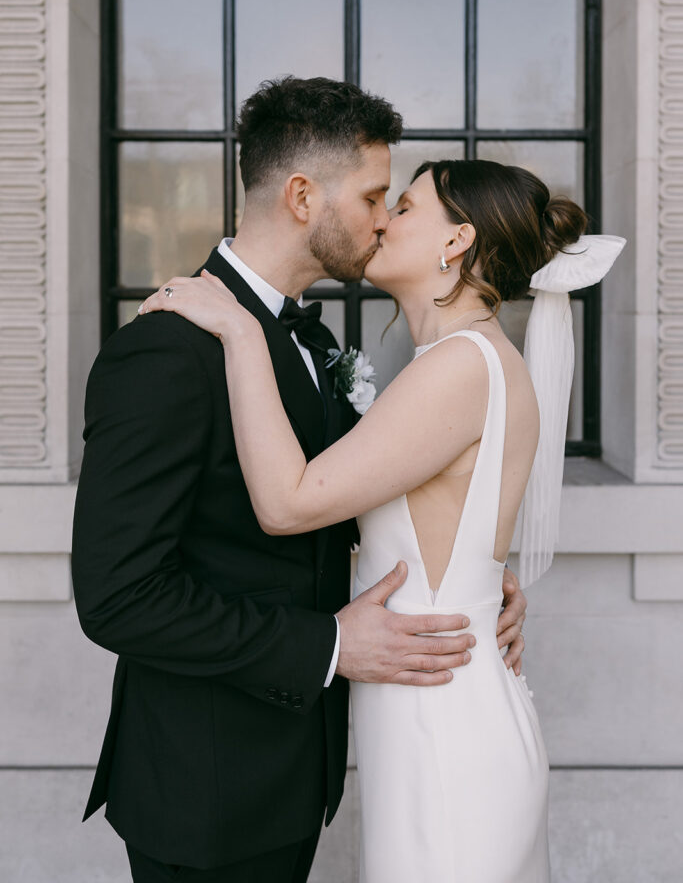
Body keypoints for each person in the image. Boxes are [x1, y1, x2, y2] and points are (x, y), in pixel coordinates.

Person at [71, 77, 529, 883]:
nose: (384, 218)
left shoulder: (315, 345)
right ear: (300, 195)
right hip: (204, 787)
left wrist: (475, 580)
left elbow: (367, 499)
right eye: (373, 195)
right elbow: (118, 595)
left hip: (297, 774)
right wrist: (327, 645)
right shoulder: (167, 351)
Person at [140, 154, 624, 880]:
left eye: (402, 208)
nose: (379, 221)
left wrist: (239, 333)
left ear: (454, 241)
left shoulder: (459, 365)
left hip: (444, 728)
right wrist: (483, 585)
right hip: (430, 704)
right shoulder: (462, 359)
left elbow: (287, 503)